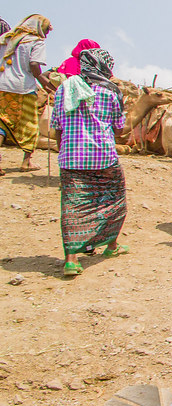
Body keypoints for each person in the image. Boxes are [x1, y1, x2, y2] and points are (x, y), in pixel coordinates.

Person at [51, 48, 129, 277]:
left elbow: (57, 126)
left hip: (70, 157)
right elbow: (119, 127)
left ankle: (71, 259)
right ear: (104, 66)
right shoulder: (110, 91)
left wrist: (63, 150)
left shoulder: (63, 89)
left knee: (72, 206)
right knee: (114, 200)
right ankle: (111, 245)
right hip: (103, 156)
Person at [0, 14, 53, 173]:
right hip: (23, 87)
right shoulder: (36, 41)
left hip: (2, 85)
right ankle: (27, 161)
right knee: (29, 123)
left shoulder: (5, 38)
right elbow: (34, 65)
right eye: (46, 30)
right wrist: (45, 83)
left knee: (2, 122)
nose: (46, 34)